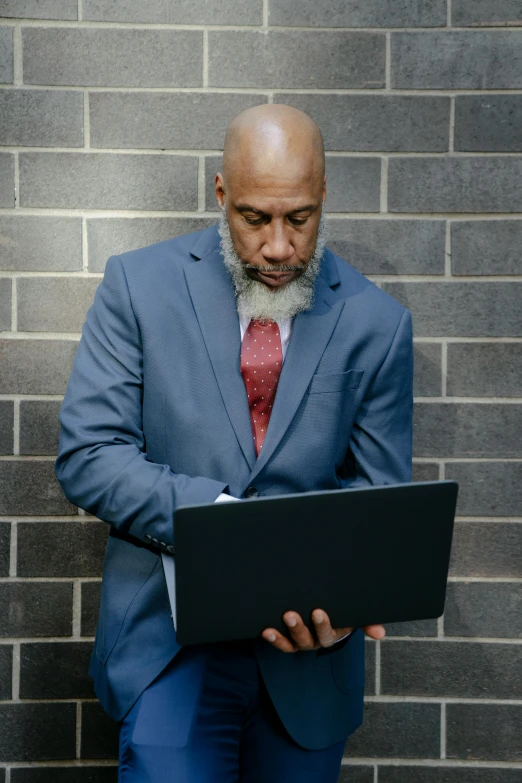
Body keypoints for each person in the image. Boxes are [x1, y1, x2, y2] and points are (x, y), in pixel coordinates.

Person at [55, 104, 413, 782]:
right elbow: (88, 453)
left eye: (299, 218)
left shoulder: (378, 323)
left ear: (324, 194)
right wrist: (216, 517)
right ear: (221, 193)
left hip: (308, 670)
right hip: (170, 652)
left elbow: (382, 501)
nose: (278, 247)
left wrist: (348, 608)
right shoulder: (137, 287)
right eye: (254, 218)